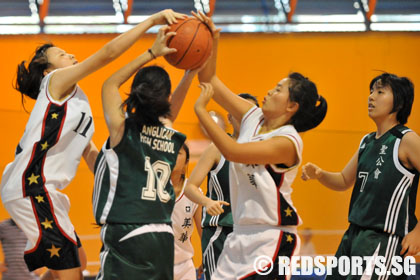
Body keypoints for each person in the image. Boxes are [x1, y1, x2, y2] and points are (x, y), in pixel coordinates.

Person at [0, 9, 186, 279]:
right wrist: (150, 26)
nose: (72, 56)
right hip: (32, 186)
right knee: (70, 273)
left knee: (79, 259)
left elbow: (88, 153)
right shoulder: (53, 83)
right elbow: (107, 53)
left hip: (44, 189)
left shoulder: (76, 101)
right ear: (47, 70)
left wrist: (118, 176)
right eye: (62, 55)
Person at [192, 11, 328, 279]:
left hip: (273, 239)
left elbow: (234, 152)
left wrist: (201, 112)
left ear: (291, 106)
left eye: (278, 89)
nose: (269, 91)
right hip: (239, 235)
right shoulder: (253, 116)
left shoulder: (288, 142)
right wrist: (212, 40)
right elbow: (209, 81)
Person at [91, 22, 204, 279]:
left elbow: (109, 84)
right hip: (163, 237)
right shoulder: (169, 133)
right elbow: (169, 110)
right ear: (164, 98)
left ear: (135, 91)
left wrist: (151, 53)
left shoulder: (123, 130)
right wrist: (189, 74)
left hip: (128, 232)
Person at [301, 72, 420, 279]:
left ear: (399, 103)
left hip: (384, 238)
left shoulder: (406, 139)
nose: (371, 96)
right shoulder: (367, 141)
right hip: (353, 235)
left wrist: (418, 232)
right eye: (371, 91)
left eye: (380, 91)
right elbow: (344, 180)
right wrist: (320, 174)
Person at [185, 93, 259, 280]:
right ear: (229, 117)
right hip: (221, 231)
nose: (245, 119)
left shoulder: (262, 150)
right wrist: (207, 201)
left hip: (253, 232)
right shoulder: (216, 148)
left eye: (250, 114)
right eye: (239, 113)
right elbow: (190, 186)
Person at [171, 143, 203, 280]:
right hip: (155, 265)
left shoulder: (194, 193)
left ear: (186, 162)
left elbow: (203, 233)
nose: (171, 155)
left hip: (185, 267)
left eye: (177, 153)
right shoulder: (152, 191)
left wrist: (205, 259)